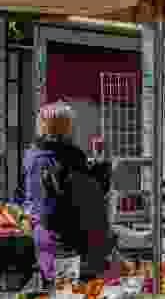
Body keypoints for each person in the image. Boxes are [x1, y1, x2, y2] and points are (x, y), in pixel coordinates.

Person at [23, 101, 113, 285]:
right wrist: (100, 171)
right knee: (71, 297)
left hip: (50, 240)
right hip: (70, 243)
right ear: (66, 130)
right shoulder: (62, 161)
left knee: (57, 295)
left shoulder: (37, 156)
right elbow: (86, 194)